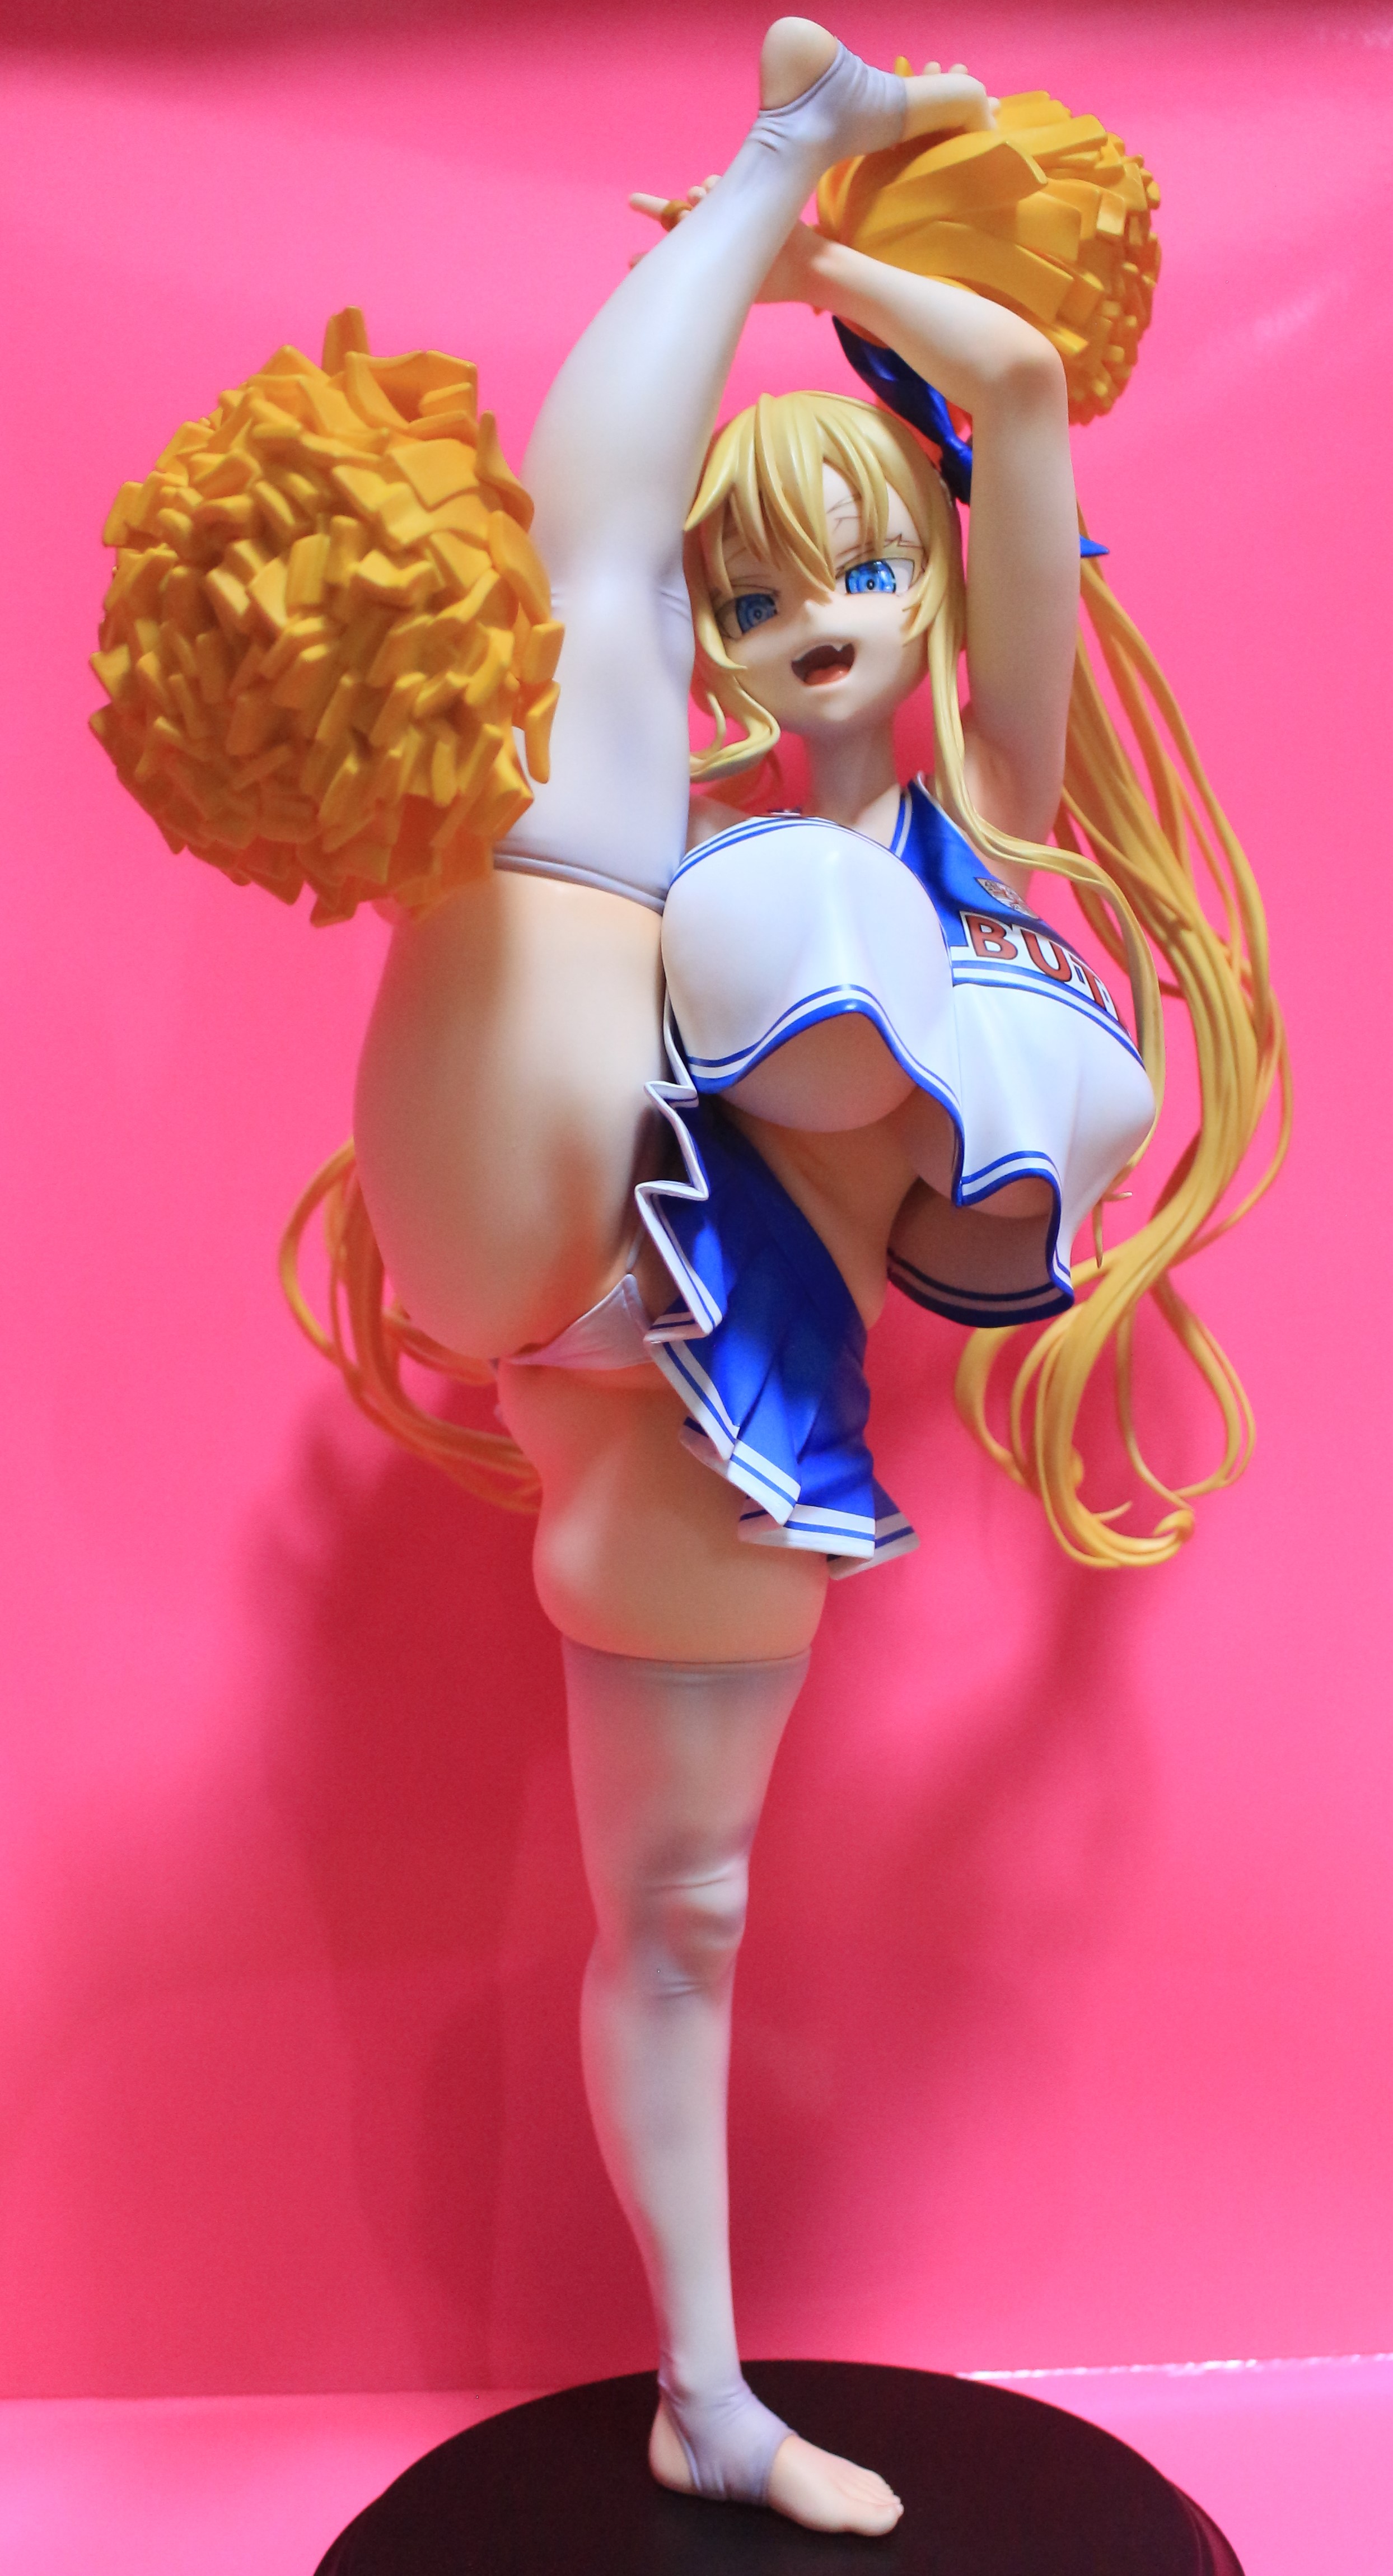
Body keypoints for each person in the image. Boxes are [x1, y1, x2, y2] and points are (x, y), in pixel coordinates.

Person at [345, 17, 1269, 2536]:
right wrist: (768, 204)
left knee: (686, 1914)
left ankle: (708, 2396)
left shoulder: (993, 823)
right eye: (755, 592)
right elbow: (620, 586)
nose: (812, 623)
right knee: (587, 662)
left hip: (699, 1455)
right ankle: (779, 132)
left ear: (930, 584)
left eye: (858, 568)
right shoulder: (686, 817)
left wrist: (823, 270)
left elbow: (1014, 398)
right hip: (543, 1210)